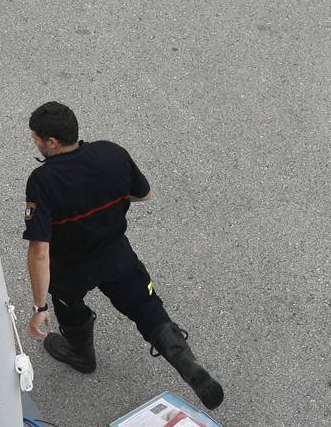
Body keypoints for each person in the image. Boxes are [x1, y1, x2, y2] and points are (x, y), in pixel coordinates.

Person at [23, 101, 223, 409]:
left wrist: (40, 307)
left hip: (71, 268)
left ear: (52, 142)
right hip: (116, 254)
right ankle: (186, 363)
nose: (34, 142)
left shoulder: (43, 181)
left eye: (36, 137)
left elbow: (39, 251)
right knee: (146, 307)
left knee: (70, 305)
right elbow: (144, 194)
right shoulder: (110, 153)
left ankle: (81, 353)